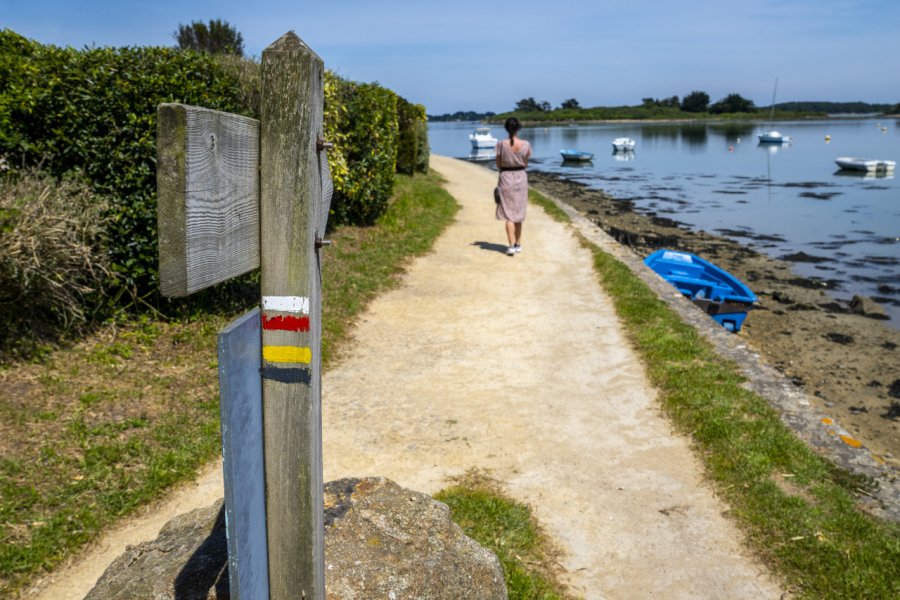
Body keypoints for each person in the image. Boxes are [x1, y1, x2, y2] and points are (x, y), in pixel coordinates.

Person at [495, 117, 532, 256]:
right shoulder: (526, 144)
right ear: (518, 128)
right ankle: (518, 244)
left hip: (506, 177)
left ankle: (510, 246)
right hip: (521, 177)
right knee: (519, 212)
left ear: (506, 128)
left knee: (508, 214)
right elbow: (526, 163)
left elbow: (498, 164)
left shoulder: (500, 144)